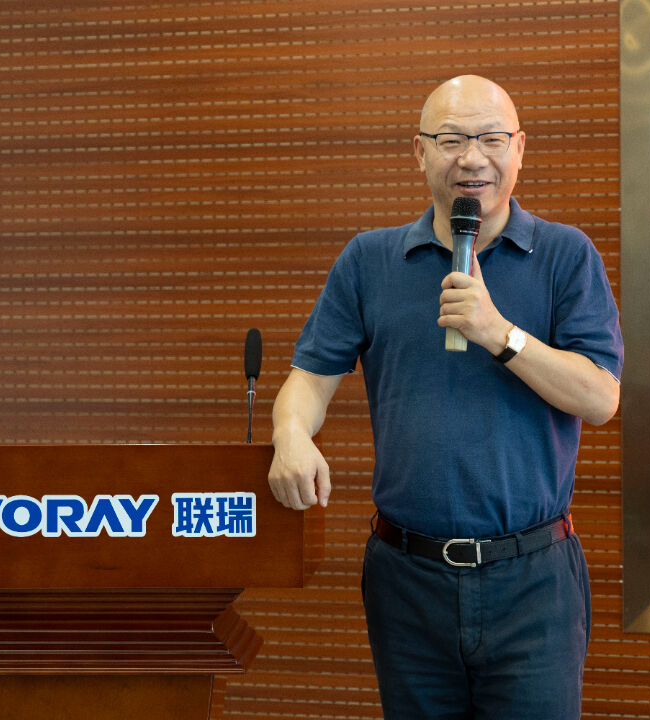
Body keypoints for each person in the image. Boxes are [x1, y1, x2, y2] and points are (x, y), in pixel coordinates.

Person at [267, 74, 623, 719]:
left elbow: (599, 397)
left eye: (491, 139)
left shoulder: (565, 255)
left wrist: (498, 332)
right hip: (407, 578)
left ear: (519, 149)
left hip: (532, 577)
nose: (472, 158)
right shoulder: (369, 260)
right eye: (452, 140)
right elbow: (310, 378)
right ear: (420, 151)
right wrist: (291, 434)